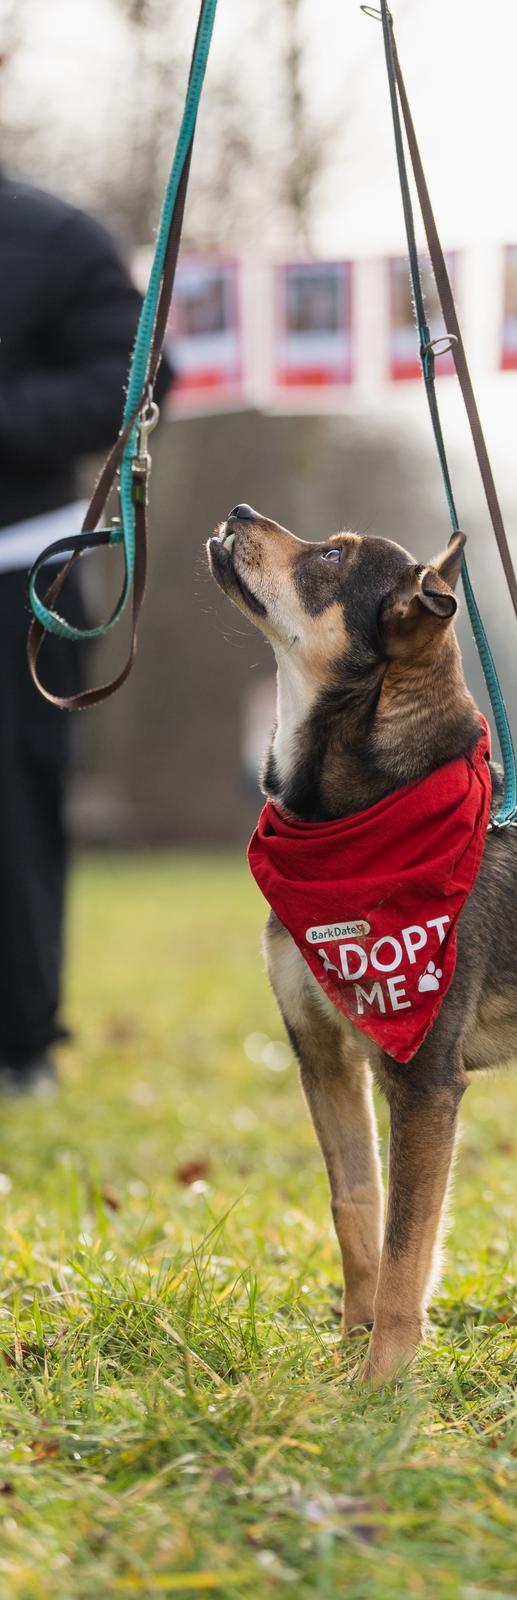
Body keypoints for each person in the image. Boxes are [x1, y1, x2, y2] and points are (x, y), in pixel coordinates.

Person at [0, 168, 155, 1094]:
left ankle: (19, 1043)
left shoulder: (55, 237)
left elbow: (135, 373)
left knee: (13, 809)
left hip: (22, 573)